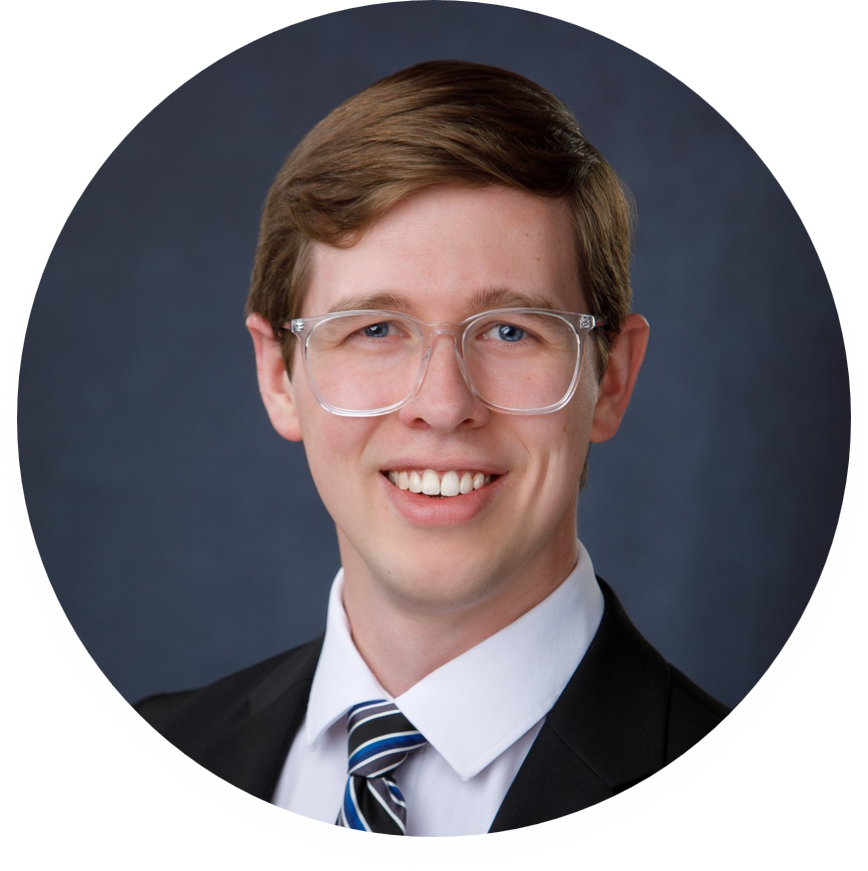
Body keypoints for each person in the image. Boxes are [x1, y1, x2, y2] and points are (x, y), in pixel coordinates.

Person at [137, 60, 728, 836]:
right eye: (375, 329)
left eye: (511, 330)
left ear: (610, 378)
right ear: (279, 375)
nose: (444, 406)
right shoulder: (160, 746)